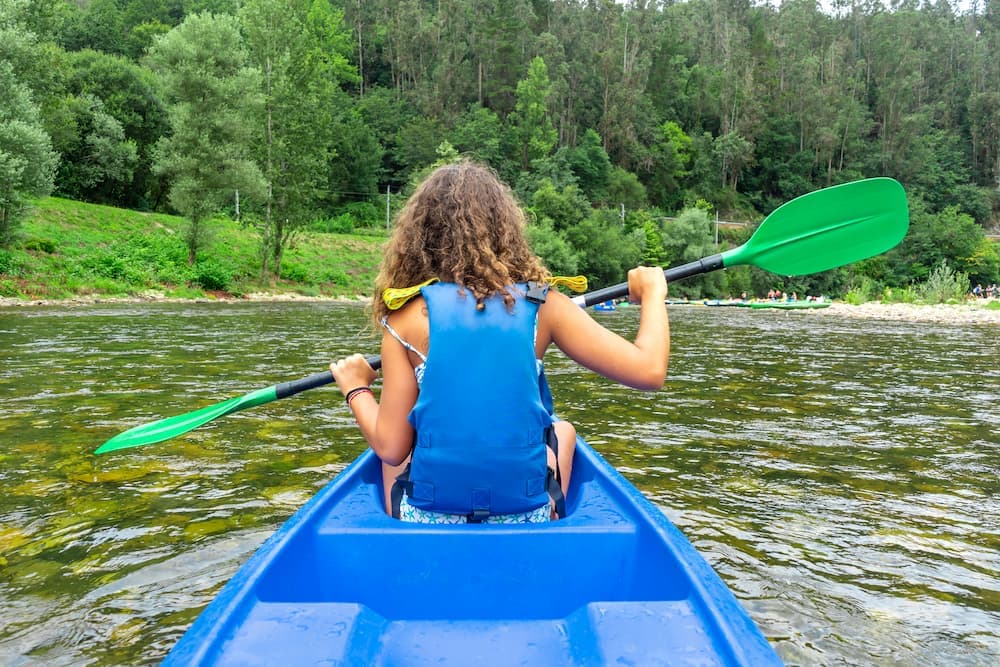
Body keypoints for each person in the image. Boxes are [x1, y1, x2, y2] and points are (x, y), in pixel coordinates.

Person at [330, 161, 669, 524]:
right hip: (526, 516)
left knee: (390, 456)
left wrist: (356, 389)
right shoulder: (544, 306)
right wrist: (653, 292)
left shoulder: (403, 318)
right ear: (505, 230)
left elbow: (392, 447)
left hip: (429, 517)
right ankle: (551, 523)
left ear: (418, 238)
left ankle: (400, 531)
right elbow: (649, 370)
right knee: (563, 432)